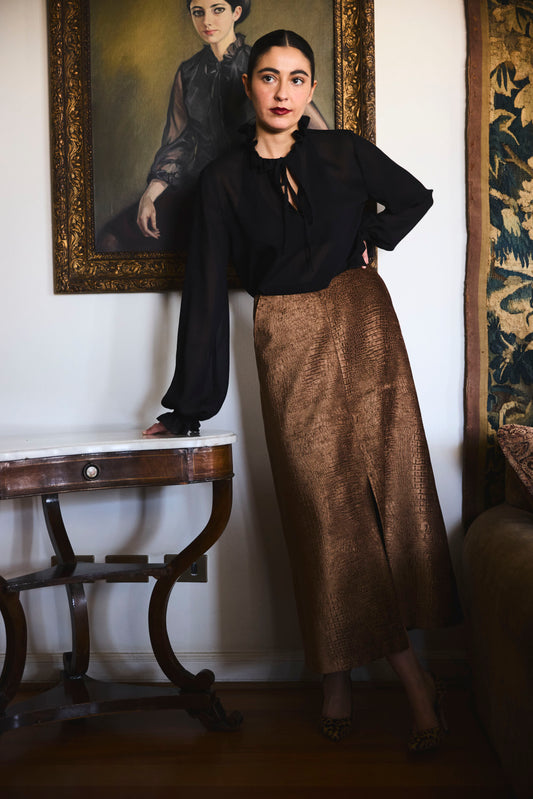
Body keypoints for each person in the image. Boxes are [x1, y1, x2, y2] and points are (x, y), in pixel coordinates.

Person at [144, 29, 460, 751]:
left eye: (296, 78)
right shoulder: (222, 180)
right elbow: (203, 290)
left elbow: (414, 198)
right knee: (322, 508)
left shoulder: (344, 152)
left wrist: (366, 232)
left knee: (393, 491)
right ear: (248, 85)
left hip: (364, 320)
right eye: (268, 76)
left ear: (311, 88)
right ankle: (382, 677)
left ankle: (352, 679)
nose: (282, 91)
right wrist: (188, 407)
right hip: (286, 333)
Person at [97, 2, 327, 253]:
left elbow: (317, 130)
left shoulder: (263, 66)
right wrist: (150, 195)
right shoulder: (188, 72)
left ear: (236, 12)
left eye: (217, 10)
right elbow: (178, 143)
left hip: (254, 190)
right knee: (112, 239)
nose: (207, 21)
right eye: (198, 12)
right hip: (199, 186)